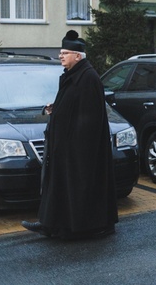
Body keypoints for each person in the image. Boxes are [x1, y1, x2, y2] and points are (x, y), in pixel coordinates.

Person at [21, 30, 117, 239]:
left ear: (77, 55)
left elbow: (90, 117)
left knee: (76, 188)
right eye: (61, 52)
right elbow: (74, 105)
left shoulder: (88, 77)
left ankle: (72, 228)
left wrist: (76, 147)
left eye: (65, 53)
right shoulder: (74, 75)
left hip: (78, 150)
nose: (60, 56)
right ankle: (51, 224)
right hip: (67, 147)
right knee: (59, 187)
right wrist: (57, 108)